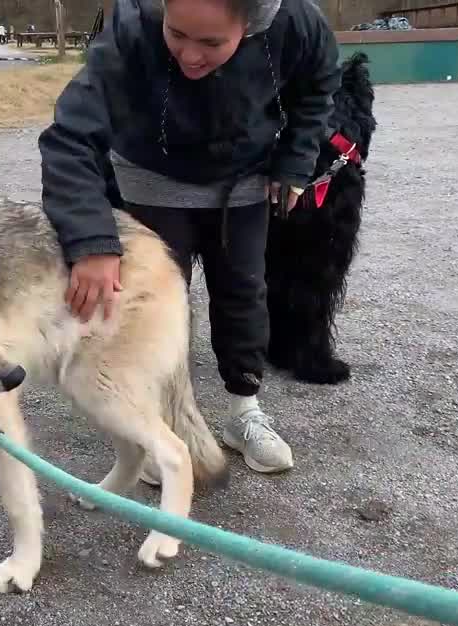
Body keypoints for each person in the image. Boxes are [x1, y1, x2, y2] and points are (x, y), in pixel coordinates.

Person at [38, 0, 340, 475]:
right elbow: (69, 137)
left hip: (242, 180)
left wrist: (295, 161)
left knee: (243, 294)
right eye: (177, 34)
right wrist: (92, 241)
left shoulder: (299, 22)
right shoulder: (134, 23)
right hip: (150, 176)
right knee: (156, 308)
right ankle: (159, 421)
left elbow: (318, 88)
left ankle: (244, 414)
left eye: (211, 42)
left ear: (252, 23)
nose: (190, 56)